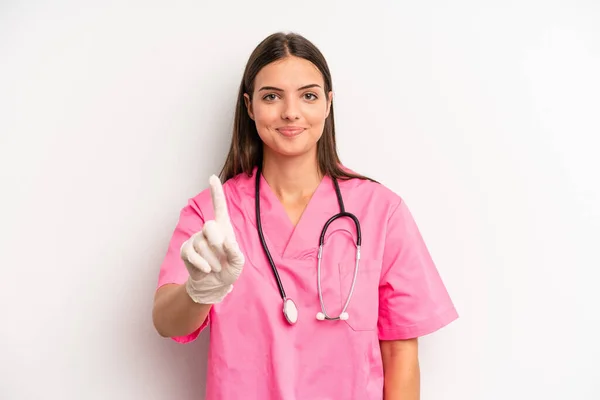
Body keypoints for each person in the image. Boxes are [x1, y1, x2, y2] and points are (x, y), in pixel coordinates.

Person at [152, 31, 458, 400]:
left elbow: (402, 356)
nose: (290, 112)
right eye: (271, 97)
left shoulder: (381, 212)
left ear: (328, 104)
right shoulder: (212, 213)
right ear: (249, 107)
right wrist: (201, 291)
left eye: (308, 95)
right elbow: (166, 322)